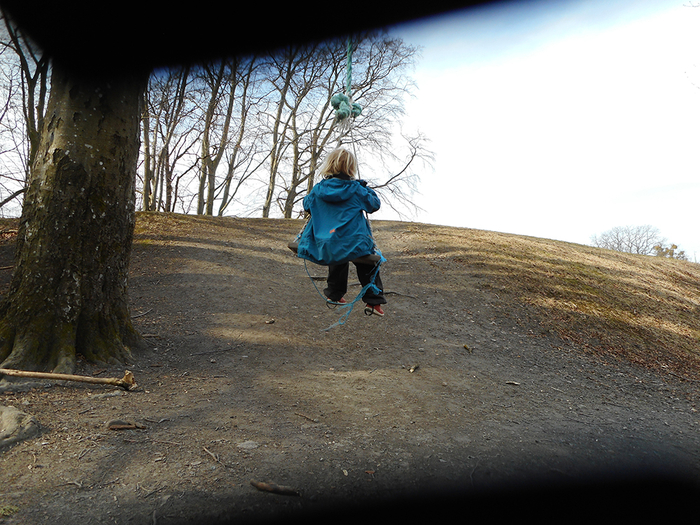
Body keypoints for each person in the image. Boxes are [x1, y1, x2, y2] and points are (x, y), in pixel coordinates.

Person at [298, 147, 387, 316]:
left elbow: (307, 205)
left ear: (329, 165)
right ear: (351, 168)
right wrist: (366, 188)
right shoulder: (355, 189)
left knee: (337, 255)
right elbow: (373, 204)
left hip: (325, 241)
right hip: (355, 242)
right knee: (368, 263)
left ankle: (335, 294)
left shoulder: (318, 189)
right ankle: (373, 302)